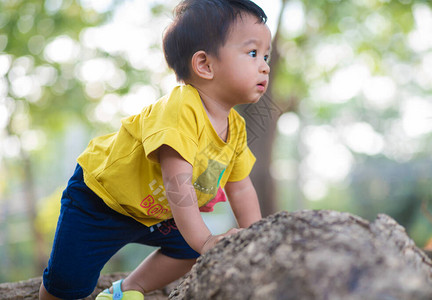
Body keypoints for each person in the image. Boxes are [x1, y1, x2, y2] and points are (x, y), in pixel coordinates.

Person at [39, 0, 271, 299]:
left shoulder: (235, 128)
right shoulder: (181, 108)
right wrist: (206, 241)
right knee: (67, 283)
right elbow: (178, 183)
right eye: (253, 53)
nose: (265, 65)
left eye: (266, 56)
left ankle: (125, 291)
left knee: (190, 250)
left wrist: (261, 239)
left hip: (155, 213)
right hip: (101, 201)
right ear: (205, 65)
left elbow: (240, 188)